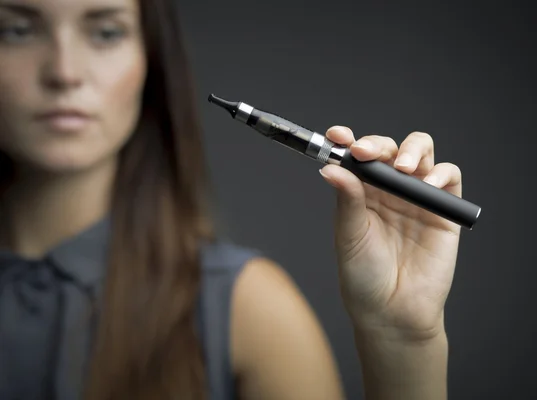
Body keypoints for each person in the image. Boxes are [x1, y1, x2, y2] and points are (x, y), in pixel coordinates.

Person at [0, 0, 464, 399]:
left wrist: (403, 341)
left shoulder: (247, 308)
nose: (63, 72)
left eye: (105, 32)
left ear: (151, 59)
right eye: (17, 29)